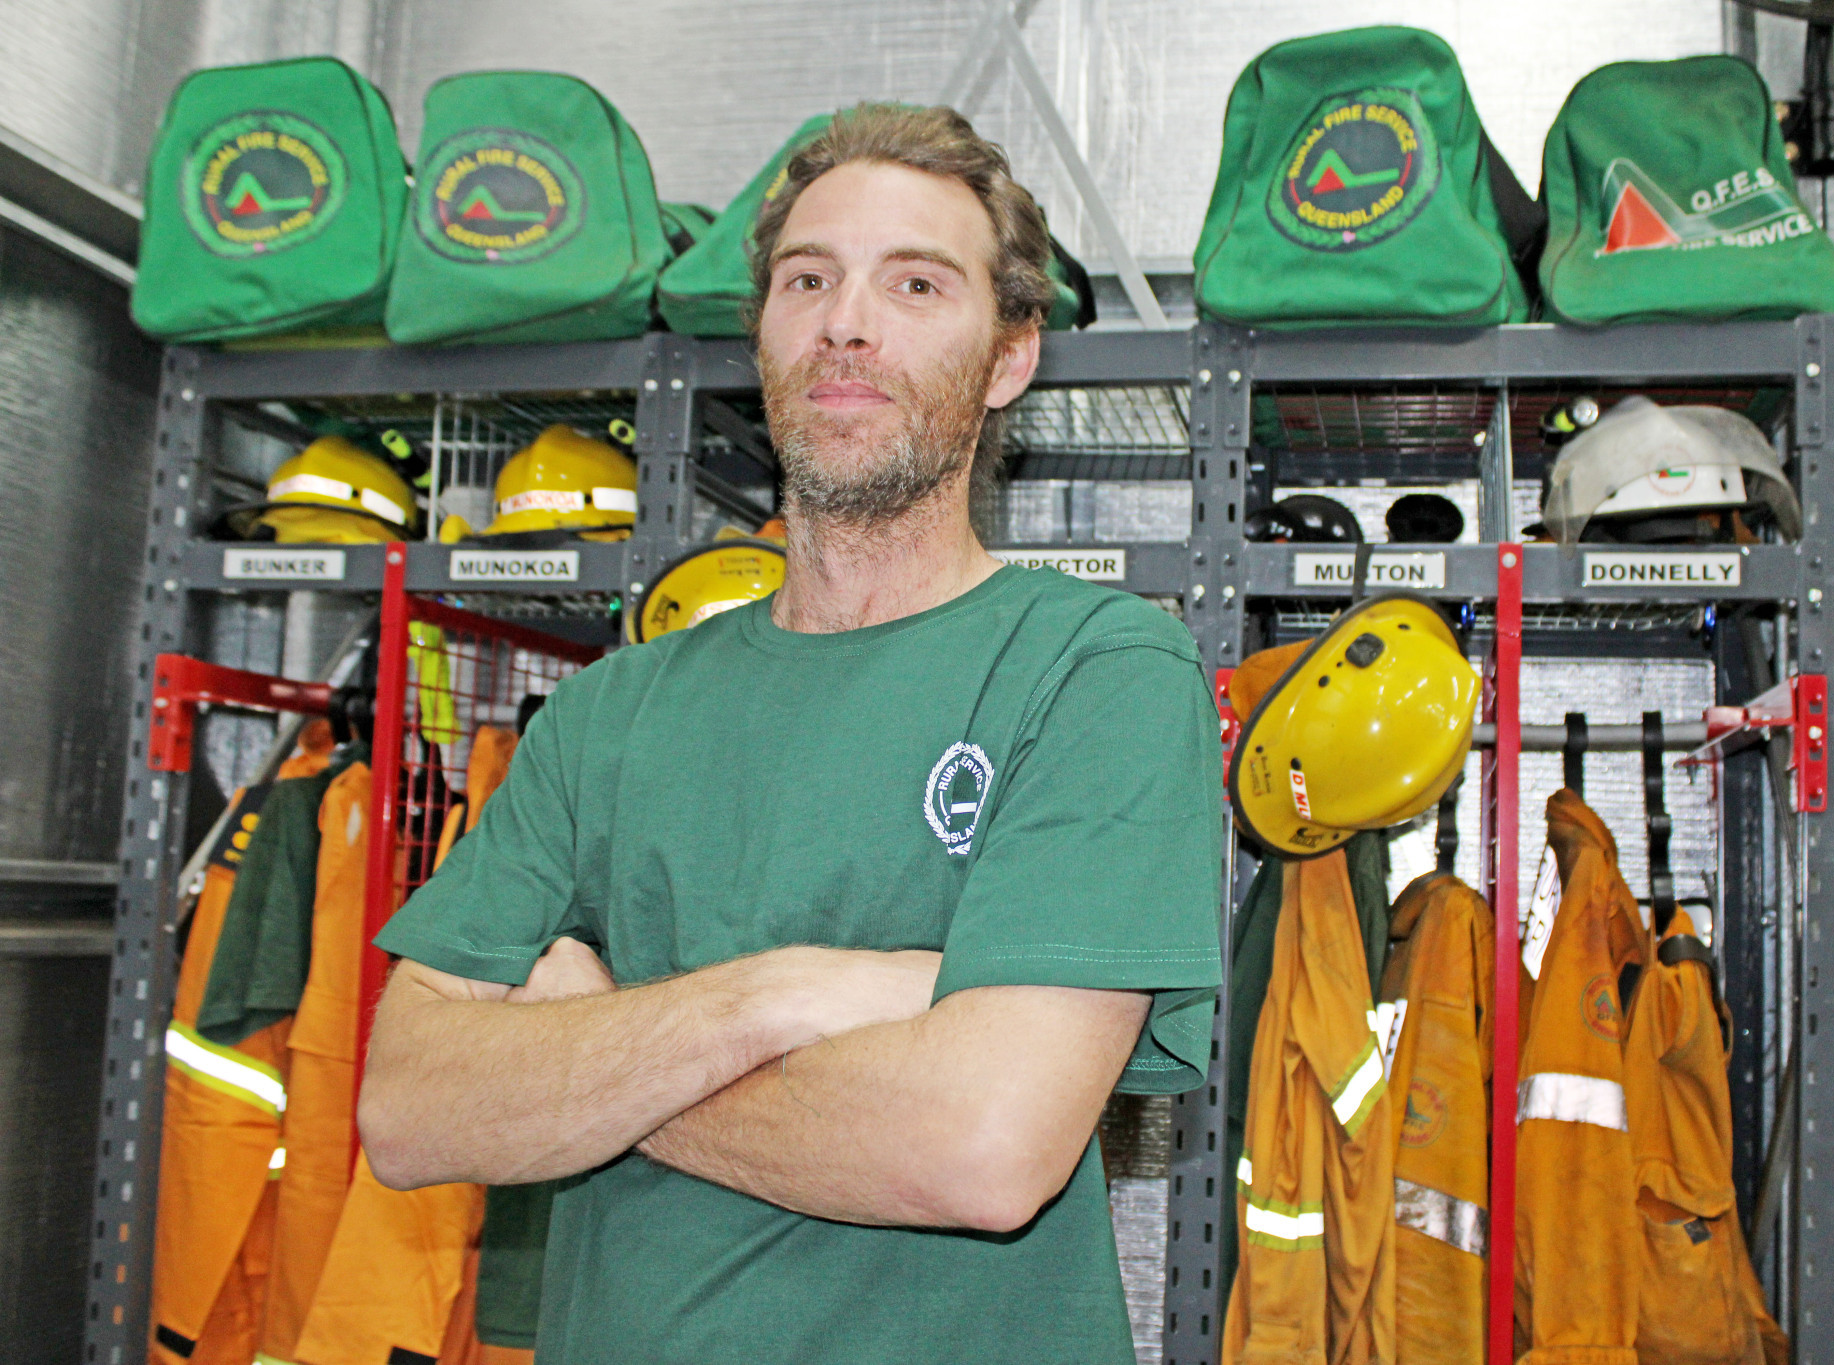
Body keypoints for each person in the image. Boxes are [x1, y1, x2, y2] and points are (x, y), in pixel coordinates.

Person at [358, 103, 1224, 1364]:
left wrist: (582, 1059)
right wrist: (779, 998)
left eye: (915, 283)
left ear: (1007, 359)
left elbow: (981, 1149)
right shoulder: (612, 709)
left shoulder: (1096, 672)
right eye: (805, 279)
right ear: (761, 330)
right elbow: (411, 1110)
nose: (845, 322)